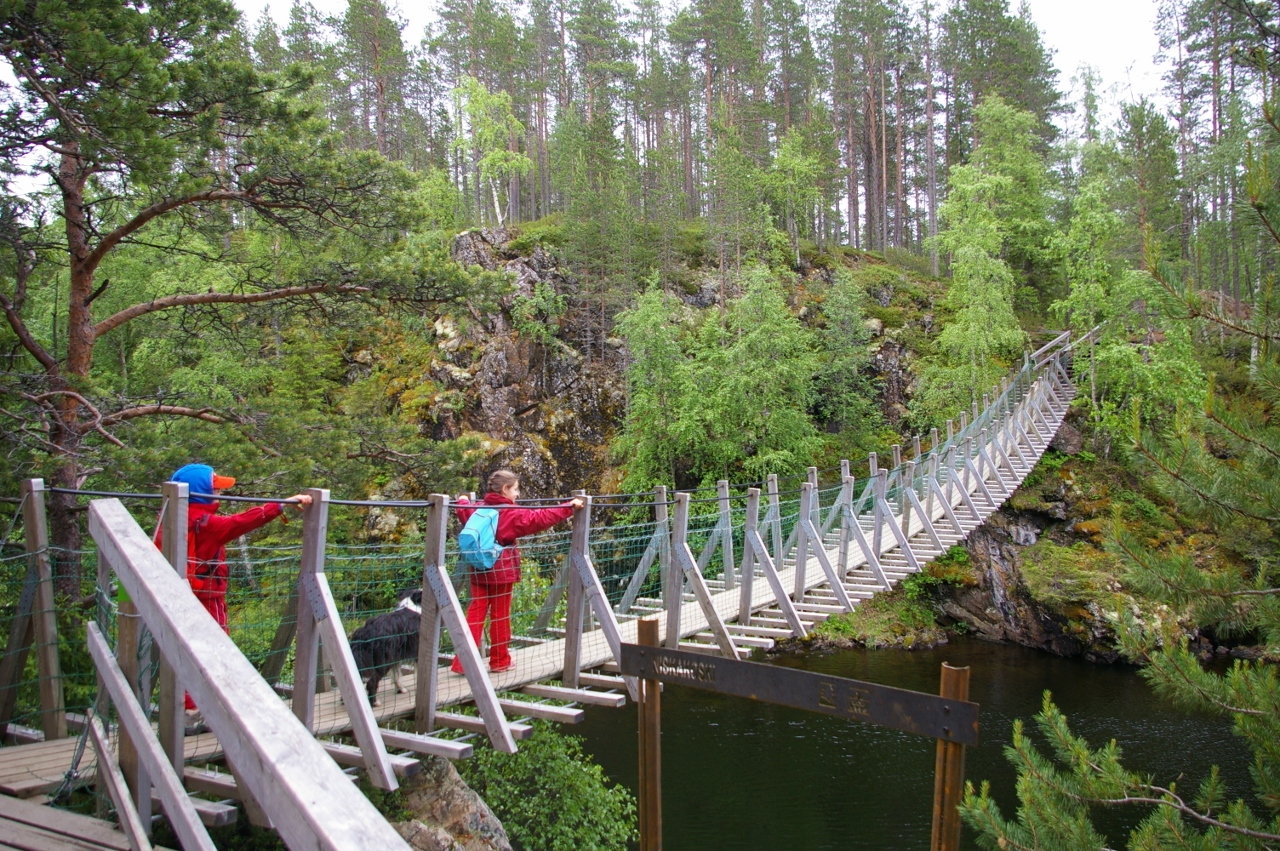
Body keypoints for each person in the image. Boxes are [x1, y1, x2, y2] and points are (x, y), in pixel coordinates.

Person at [157, 464, 311, 711]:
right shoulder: (202, 522)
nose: (219, 493)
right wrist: (280, 505)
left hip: (180, 593)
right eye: (215, 488)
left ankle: (190, 706)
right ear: (200, 492)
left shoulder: (175, 514)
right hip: (206, 596)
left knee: (188, 649)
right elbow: (236, 524)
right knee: (218, 651)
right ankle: (206, 707)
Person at [452, 470, 583, 674]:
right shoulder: (509, 514)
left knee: (475, 614)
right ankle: (499, 661)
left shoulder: (475, 508)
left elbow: (462, 511)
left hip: (478, 569)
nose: (518, 494)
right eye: (515, 489)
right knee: (500, 616)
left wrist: (461, 500)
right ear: (505, 490)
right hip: (500, 571)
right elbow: (539, 518)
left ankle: (462, 663)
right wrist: (568, 507)